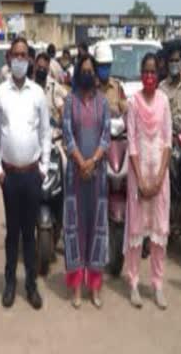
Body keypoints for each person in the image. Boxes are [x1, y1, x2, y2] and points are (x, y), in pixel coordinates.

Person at [0, 37, 50, 310]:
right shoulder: (0, 92)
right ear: (8, 59)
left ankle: (31, 286)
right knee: (11, 232)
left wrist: (44, 168)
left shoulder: (37, 92)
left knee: (30, 233)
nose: (19, 59)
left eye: (24, 55)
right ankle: (10, 283)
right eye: (15, 55)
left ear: (29, 59)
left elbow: (46, 133)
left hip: (32, 174)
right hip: (10, 175)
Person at [124, 53, 172, 310]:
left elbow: (167, 142)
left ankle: (157, 284)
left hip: (159, 181)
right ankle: (133, 282)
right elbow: (132, 142)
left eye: (154, 72)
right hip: (138, 179)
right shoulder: (133, 103)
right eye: (146, 72)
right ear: (141, 74)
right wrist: (142, 181)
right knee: (136, 233)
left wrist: (159, 178)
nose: (150, 76)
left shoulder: (164, 102)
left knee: (158, 236)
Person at [62, 53, 110, 309]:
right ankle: (77, 288)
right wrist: (81, 162)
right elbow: (67, 134)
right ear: (78, 73)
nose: (88, 74)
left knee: (96, 230)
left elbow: (106, 136)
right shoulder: (69, 101)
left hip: (98, 176)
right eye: (85, 70)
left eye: (92, 70)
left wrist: (93, 161)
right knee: (75, 229)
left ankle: (95, 287)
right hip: (75, 177)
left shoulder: (103, 102)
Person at [95, 42, 127, 117]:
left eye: (107, 65)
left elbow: (125, 110)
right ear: (96, 65)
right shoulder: (90, 87)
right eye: (102, 65)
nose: (105, 68)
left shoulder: (117, 87)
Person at [34, 53, 67, 126]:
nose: (41, 70)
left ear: (48, 69)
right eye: (39, 67)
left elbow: (67, 97)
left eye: (44, 69)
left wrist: (62, 118)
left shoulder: (53, 85)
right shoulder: (29, 85)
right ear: (35, 66)